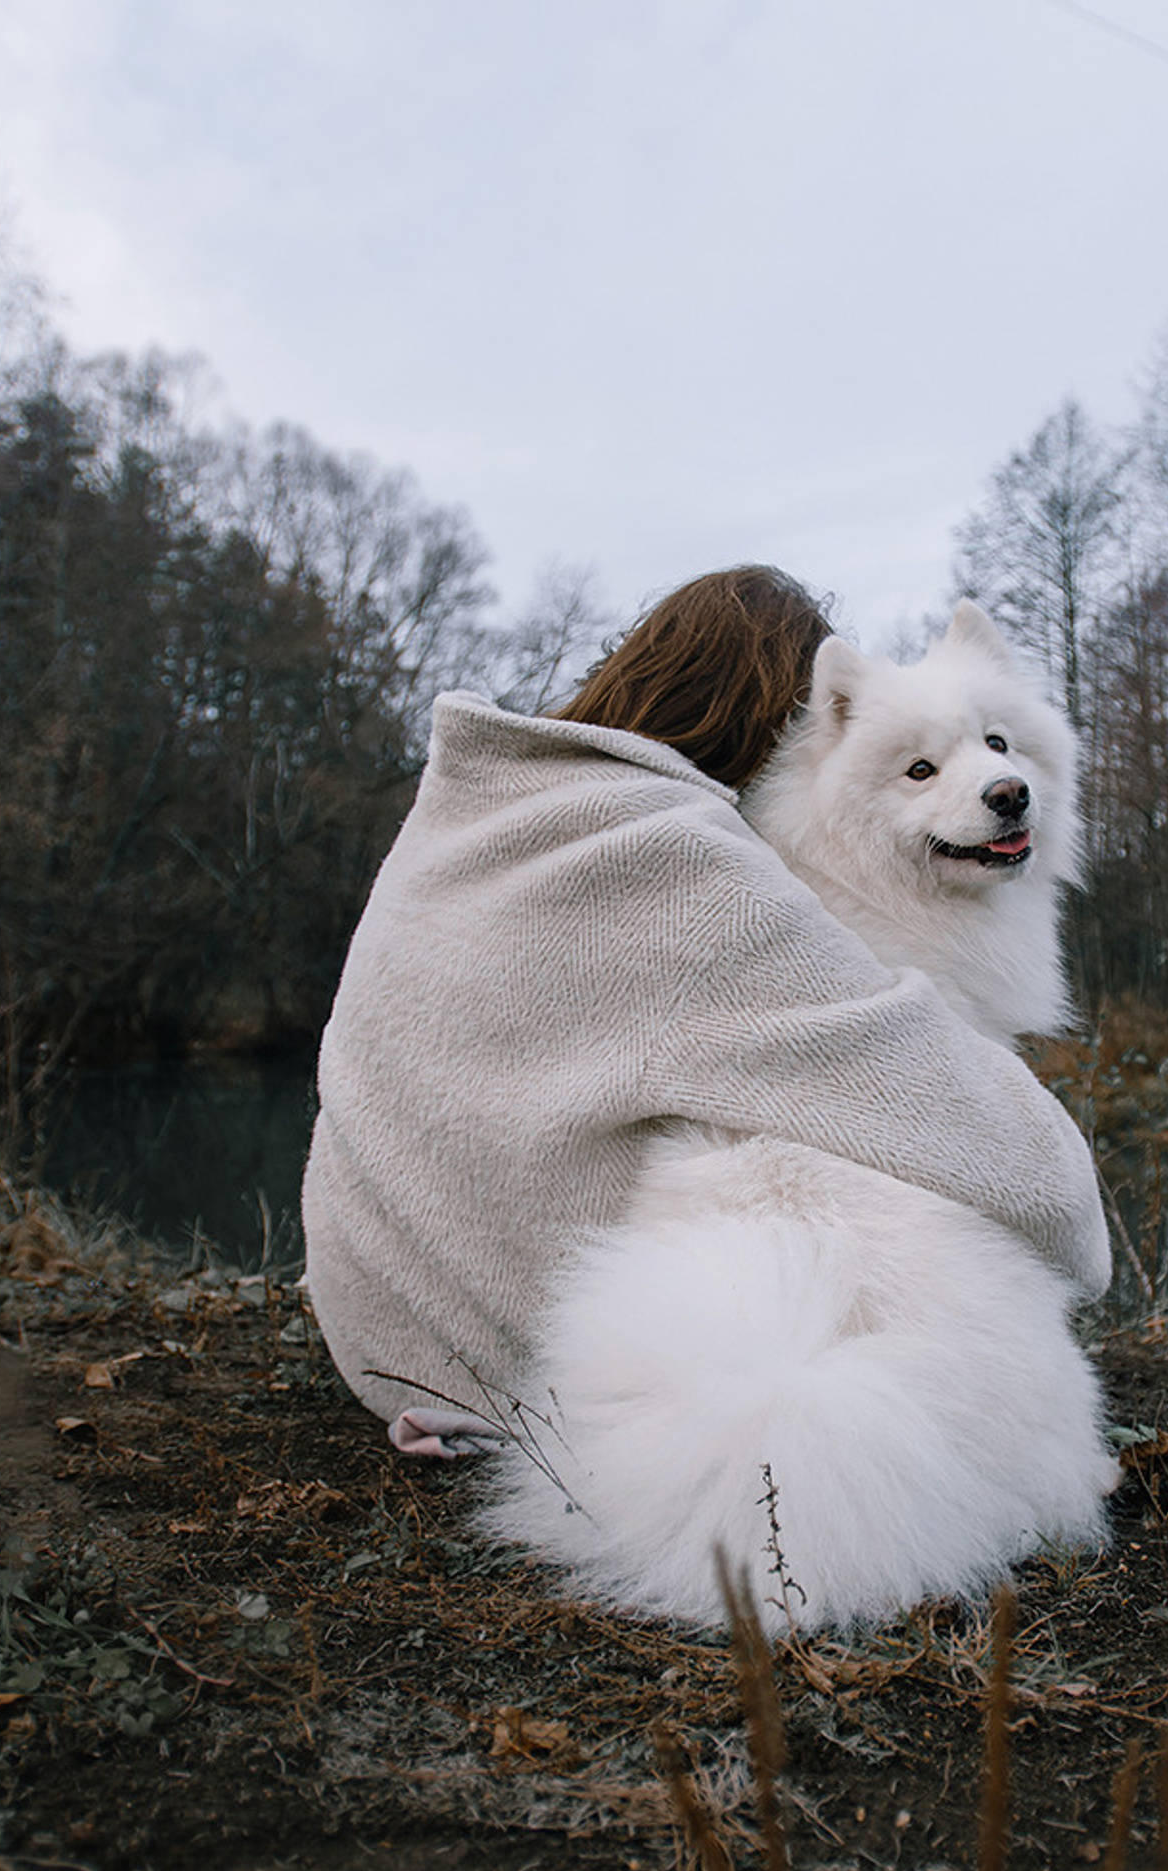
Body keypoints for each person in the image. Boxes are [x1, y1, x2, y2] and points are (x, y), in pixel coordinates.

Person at [300, 564, 1111, 1447]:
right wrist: (1078, 1231)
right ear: (771, 728)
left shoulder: (479, 803)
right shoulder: (680, 870)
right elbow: (984, 1139)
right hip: (509, 1352)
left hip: (379, 1322)